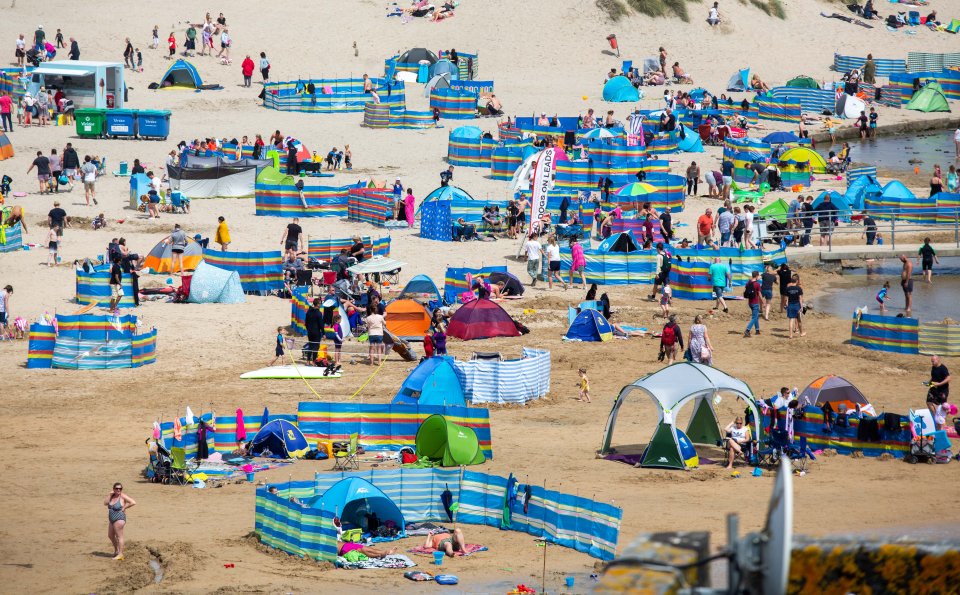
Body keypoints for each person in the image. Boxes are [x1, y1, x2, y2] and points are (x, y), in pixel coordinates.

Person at [105, 483, 135, 560]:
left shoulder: (122, 496)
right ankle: (117, 550)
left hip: (119, 518)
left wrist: (125, 507)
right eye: (117, 488)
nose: (118, 490)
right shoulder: (111, 496)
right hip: (111, 518)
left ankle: (120, 554)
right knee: (110, 535)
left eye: (120, 489)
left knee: (119, 536)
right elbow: (105, 503)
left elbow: (133, 502)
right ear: (113, 489)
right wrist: (109, 495)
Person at [927, 355, 951, 422]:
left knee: (943, 406)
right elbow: (933, 376)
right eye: (931, 361)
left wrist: (939, 384)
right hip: (934, 388)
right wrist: (929, 382)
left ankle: (948, 410)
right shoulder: (933, 367)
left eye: (933, 361)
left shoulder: (943, 368)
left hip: (942, 389)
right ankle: (936, 417)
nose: (932, 363)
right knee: (929, 402)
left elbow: (949, 378)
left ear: (938, 360)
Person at [785, 273, 805, 338]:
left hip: (790, 305)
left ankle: (790, 335)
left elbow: (786, 298)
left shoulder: (788, 288)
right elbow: (800, 298)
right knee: (799, 320)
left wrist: (786, 304)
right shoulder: (799, 288)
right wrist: (802, 306)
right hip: (797, 305)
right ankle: (801, 333)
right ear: (797, 281)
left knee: (791, 320)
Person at [744, 270, 763, 337]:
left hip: (750, 302)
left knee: (756, 316)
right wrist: (763, 302)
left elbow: (745, 288)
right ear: (757, 276)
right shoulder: (757, 284)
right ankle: (747, 330)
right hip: (755, 302)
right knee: (754, 317)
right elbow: (760, 294)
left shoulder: (748, 283)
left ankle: (757, 330)